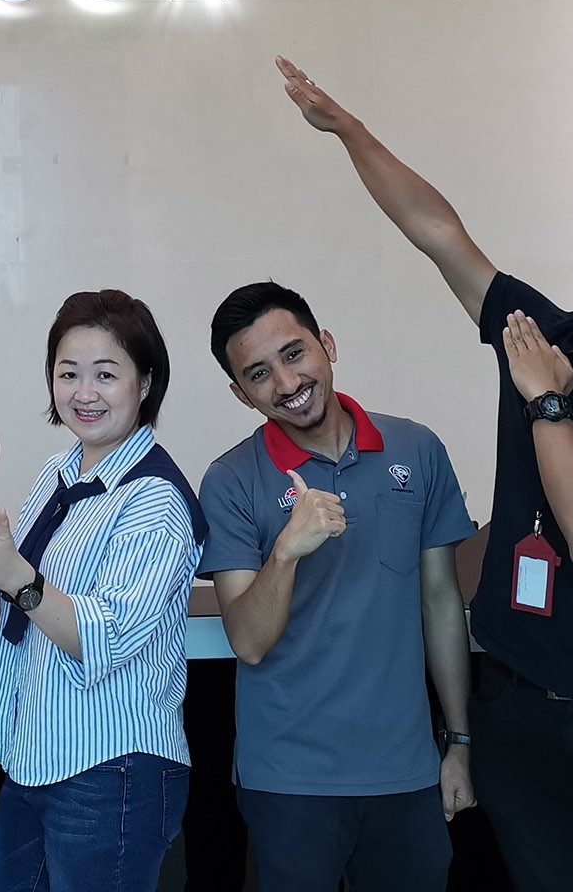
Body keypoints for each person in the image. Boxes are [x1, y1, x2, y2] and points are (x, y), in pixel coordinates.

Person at [274, 55, 573, 892]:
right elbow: (440, 234)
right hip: (516, 701)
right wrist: (349, 131)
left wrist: (546, 402)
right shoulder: (553, 337)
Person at [199, 280, 476, 891]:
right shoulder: (231, 479)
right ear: (240, 393)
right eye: (259, 374)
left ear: (326, 344)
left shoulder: (417, 449)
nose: (286, 383)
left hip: (407, 770)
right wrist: (287, 550)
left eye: (294, 353)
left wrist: (457, 742)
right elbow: (248, 641)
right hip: (288, 778)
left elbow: (440, 601)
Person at [0, 289, 205, 892]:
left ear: (146, 383)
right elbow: (16, 566)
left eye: (106, 374)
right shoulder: (61, 471)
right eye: (68, 373)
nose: (84, 393)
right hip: (31, 751)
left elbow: (103, 635)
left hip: (111, 767)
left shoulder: (156, 500)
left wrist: (16, 577)